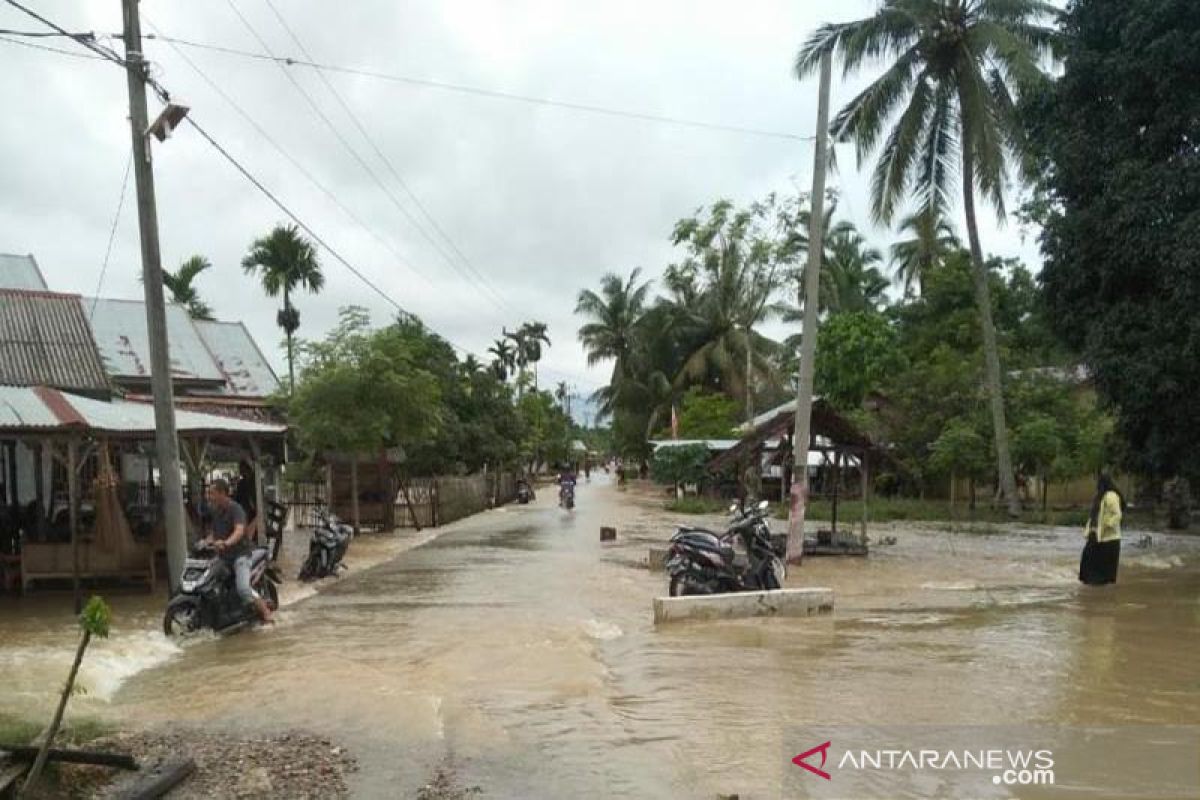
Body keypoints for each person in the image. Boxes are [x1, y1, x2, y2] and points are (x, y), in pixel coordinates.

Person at [202, 478, 273, 623]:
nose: (209, 496)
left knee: (243, 589)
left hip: (240, 556)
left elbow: (239, 531)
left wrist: (226, 542)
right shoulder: (215, 511)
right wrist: (205, 541)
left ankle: (266, 612)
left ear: (222, 493)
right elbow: (214, 534)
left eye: (212, 493)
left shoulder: (236, 509)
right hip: (223, 557)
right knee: (206, 580)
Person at [1079, 474, 1124, 586]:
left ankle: (1102, 595)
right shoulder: (1099, 497)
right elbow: (1094, 516)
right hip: (1098, 537)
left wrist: (1107, 524)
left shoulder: (1111, 496)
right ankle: (1092, 587)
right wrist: (1088, 531)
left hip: (1110, 539)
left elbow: (1117, 514)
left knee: (1104, 573)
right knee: (1088, 561)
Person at [233, 460, 258, 543]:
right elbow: (238, 497)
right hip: (246, 509)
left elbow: (253, 499)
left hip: (254, 512)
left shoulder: (255, 481)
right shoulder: (242, 482)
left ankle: (244, 539)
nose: (240, 472)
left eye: (241, 469)